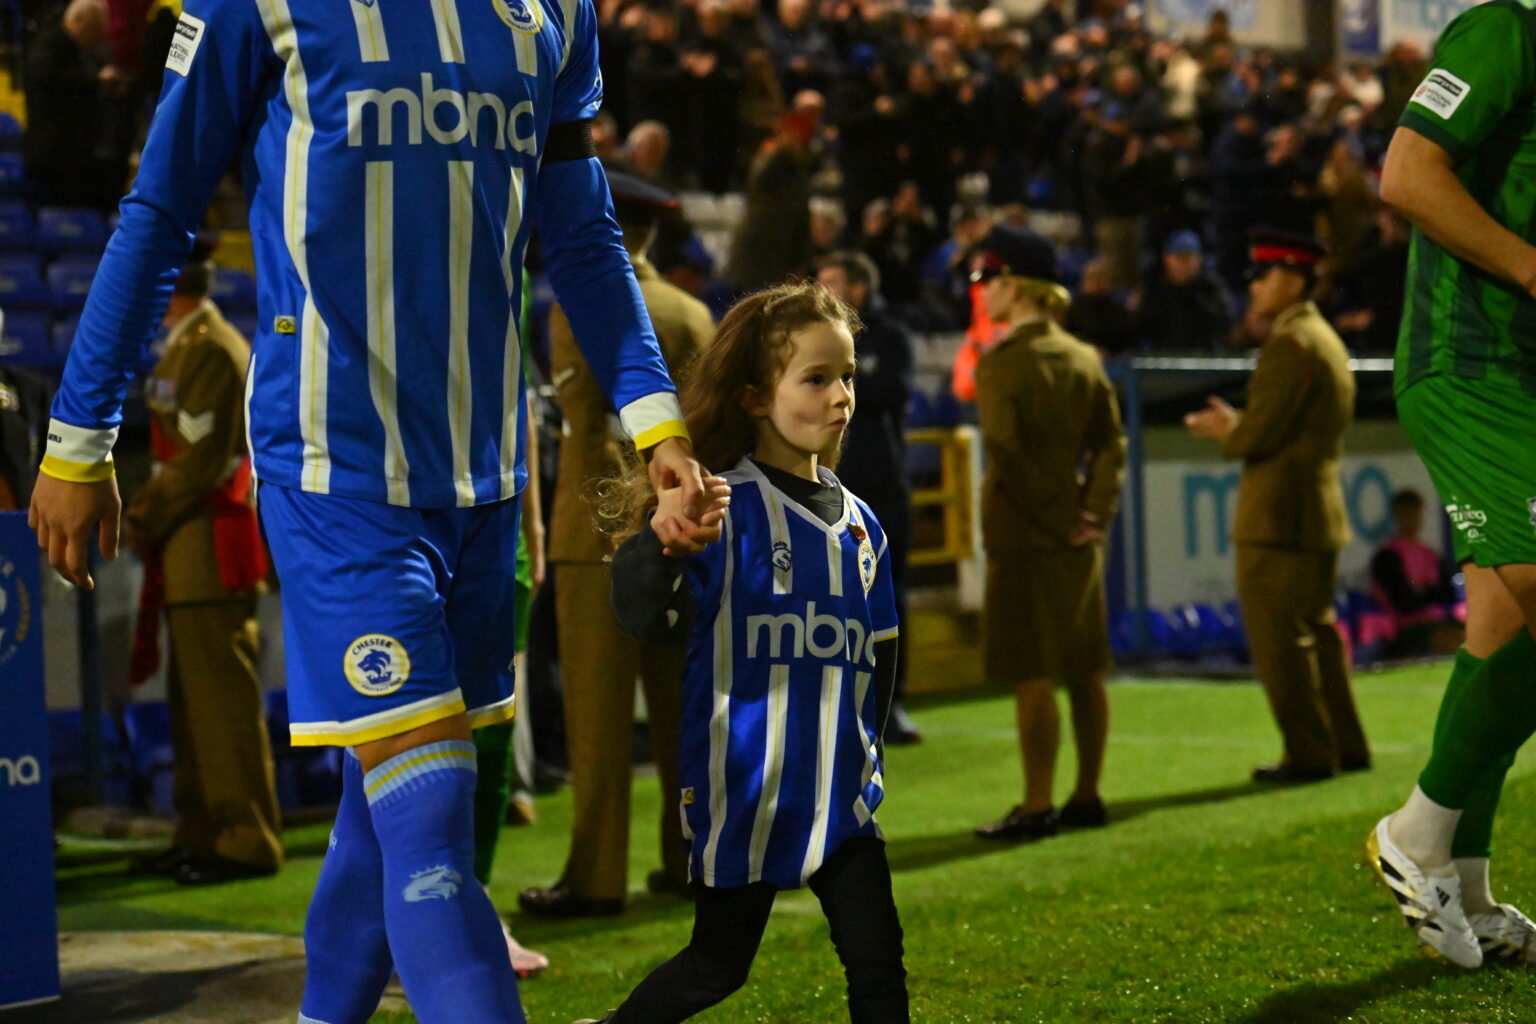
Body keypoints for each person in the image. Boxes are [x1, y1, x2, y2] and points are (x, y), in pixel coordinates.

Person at [26, 0, 717, 1019]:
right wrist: (79, 434)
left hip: (483, 478)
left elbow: (580, 231)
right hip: (335, 468)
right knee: (431, 808)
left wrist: (659, 427)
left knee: (377, 815)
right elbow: (162, 207)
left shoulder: (556, 11)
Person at [578, 283, 908, 1023]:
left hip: (842, 798)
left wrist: (868, 754)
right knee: (717, 966)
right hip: (744, 795)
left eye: (847, 376)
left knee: (878, 964)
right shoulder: (723, 507)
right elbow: (643, 617)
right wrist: (660, 545)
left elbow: (880, 658)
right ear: (757, 398)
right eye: (816, 379)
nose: (841, 396)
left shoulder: (863, 526)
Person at [1365, 0, 1536, 968]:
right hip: (1472, 367)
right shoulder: (1510, 29)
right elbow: (1406, 173)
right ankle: (1418, 831)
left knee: (1503, 637)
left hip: (1528, 378)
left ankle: (1465, 879)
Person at [521, 172, 714, 919]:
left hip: (597, 527)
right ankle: (692, 856)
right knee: (681, 709)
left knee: (598, 716)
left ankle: (597, 877)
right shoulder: (693, 311)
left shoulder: (580, 303)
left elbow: (588, 417)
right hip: (684, 527)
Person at [122, 235, 281, 886]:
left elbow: (200, 461)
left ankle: (246, 838)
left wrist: (142, 515)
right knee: (193, 708)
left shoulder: (211, 347)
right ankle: (203, 829)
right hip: (189, 548)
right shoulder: (190, 343)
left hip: (210, 546)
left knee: (222, 709)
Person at [1185, 229, 1370, 785]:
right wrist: (1243, 425)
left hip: (1278, 515)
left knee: (1279, 640)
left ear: (1292, 279)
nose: (1254, 287)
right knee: (1318, 632)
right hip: (1315, 507)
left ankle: (1309, 753)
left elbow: (1260, 436)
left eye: (1263, 276)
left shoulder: (1291, 344)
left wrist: (1229, 429)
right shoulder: (1323, 337)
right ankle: (1344, 744)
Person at [970, 225, 1126, 841]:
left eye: (988, 279)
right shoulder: (1083, 357)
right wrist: (1092, 515)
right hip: (1079, 537)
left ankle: (1037, 805)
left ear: (1015, 286)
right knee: (1085, 667)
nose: (981, 291)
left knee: (1032, 672)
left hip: (1026, 533)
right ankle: (1088, 795)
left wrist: (1061, 520)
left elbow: (1007, 455)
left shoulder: (1002, 363)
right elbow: (1110, 444)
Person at [816, 250, 920, 744]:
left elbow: (894, 391)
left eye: (832, 281)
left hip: (882, 487)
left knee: (888, 595)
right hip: (829, 486)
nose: (822, 290)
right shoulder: (815, 339)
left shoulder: (891, 336)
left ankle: (891, 702)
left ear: (858, 288)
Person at [1369, 489, 1463, 659]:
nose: (1412, 518)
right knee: (1448, 639)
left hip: (1438, 621)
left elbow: (1449, 595)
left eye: (1415, 513)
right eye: (1406, 513)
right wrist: (1431, 591)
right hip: (1405, 629)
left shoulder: (1431, 555)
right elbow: (1405, 602)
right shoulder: (1387, 556)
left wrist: (1422, 591)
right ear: (1397, 515)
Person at [1135, 230, 1234, 351]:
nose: (1185, 263)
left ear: (1200, 259)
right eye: (1179, 257)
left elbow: (1226, 323)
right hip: (1164, 357)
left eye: (1190, 257)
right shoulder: (1155, 290)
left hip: (1206, 357)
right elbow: (1140, 328)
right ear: (1167, 259)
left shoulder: (1211, 288)